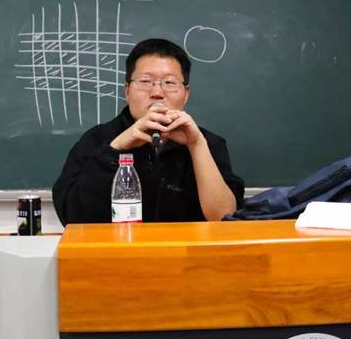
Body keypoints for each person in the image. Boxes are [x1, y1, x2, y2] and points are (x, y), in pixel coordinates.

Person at [52, 38, 244, 225]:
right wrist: (115, 149)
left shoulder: (208, 143)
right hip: (118, 247)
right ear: (127, 91)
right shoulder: (97, 140)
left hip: (186, 247)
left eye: (169, 83)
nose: (157, 93)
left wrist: (196, 145)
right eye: (145, 81)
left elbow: (225, 219)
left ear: (186, 94)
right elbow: (72, 217)